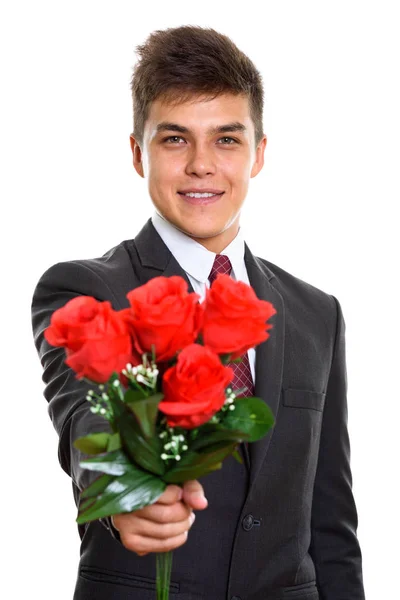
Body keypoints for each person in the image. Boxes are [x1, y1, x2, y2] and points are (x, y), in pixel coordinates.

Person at [31, 25, 365, 600]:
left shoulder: (317, 313)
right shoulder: (83, 290)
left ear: (259, 153)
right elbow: (84, 415)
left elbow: (331, 521)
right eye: (175, 139)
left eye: (227, 140)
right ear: (139, 153)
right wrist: (123, 494)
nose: (202, 165)